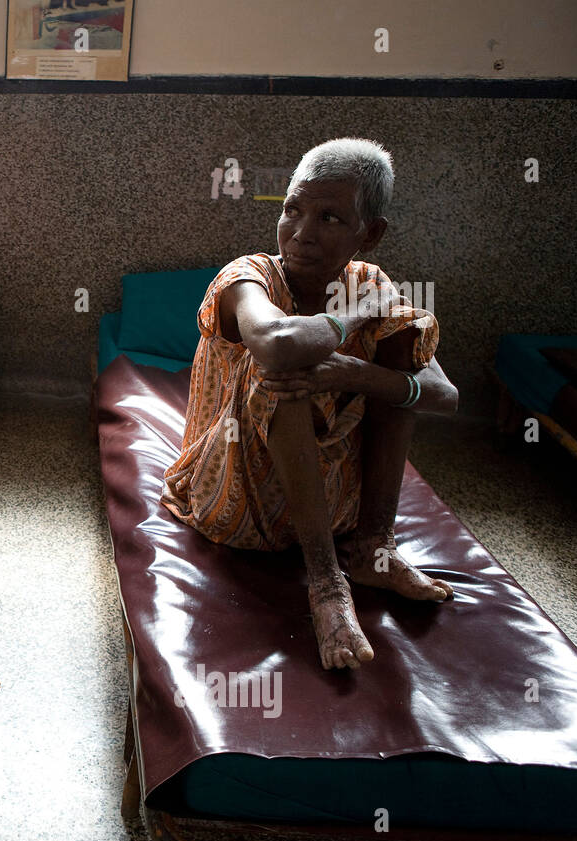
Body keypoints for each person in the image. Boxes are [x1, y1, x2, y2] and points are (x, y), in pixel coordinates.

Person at [161, 138, 459, 671]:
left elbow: (444, 395)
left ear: (370, 234)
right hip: (232, 498)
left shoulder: (369, 283)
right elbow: (276, 342)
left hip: (337, 507)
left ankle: (374, 549)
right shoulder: (245, 277)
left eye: (329, 218)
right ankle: (326, 584)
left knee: (400, 349)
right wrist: (352, 319)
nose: (301, 233)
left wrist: (357, 372)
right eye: (292, 210)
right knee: (280, 365)